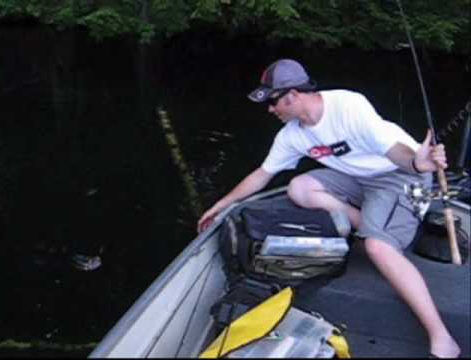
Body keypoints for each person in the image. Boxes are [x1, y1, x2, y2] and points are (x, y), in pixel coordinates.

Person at [197, 59, 460, 358]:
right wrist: (220, 204)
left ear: (292, 95)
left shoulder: (348, 106)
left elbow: (395, 152)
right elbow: (262, 175)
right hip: (356, 178)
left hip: (399, 173)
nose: (271, 110)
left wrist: (416, 162)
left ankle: (442, 337)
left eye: (273, 102)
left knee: (376, 247)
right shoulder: (291, 136)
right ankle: (370, 222)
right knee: (300, 188)